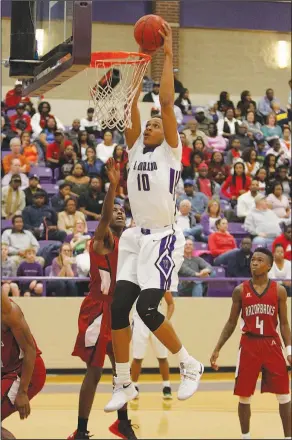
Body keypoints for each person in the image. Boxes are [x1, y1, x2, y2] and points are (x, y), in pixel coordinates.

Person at [105, 25, 204, 414]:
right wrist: (136, 67)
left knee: (147, 309)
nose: (149, 126)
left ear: (166, 133)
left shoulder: (170, 152)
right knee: (118, 309)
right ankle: (124, 382)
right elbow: (131, 105)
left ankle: (187, 363)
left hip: (162, 238)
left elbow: (164, 102)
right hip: (134, 236)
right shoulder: (135, 148)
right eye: (146, 125)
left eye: (155, 125)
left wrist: (164, 54)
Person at [68, 158, 136, 440]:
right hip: (97, 309)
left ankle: (122, 422)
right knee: (94, 372)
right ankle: (81, 430)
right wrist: (113, 186)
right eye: (116, 210)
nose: (119, 213)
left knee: (122, 372)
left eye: (123, 211)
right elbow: (106, 216)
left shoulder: (129, 241)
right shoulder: (103, 240)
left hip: (118, 311)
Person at [210, 248, 291, 440]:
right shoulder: (240, 290)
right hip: (249, 345)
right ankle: (245, 436)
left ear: (269, 266)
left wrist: (289, 350)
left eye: (260, 260)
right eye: (253, 259)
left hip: (272, 344)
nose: (254, 262)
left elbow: (285, 323)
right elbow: (231, 322)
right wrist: (217, 348)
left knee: (284, 394)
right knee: (244, 395)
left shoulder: (279, 291)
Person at [1, 290, 46, 440]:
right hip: (6, 370)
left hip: (25, 372)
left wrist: (22, 392)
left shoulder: (8, 311)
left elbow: (30, 350)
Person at [131, 291, 175, 399]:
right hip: (139, 321)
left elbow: (171, 303)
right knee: (137, 357)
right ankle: (133, 387)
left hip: (157, 320)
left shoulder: (160, 281)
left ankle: (166, 387)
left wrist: (167, 320)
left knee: (162, 356)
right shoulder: (136, 280)